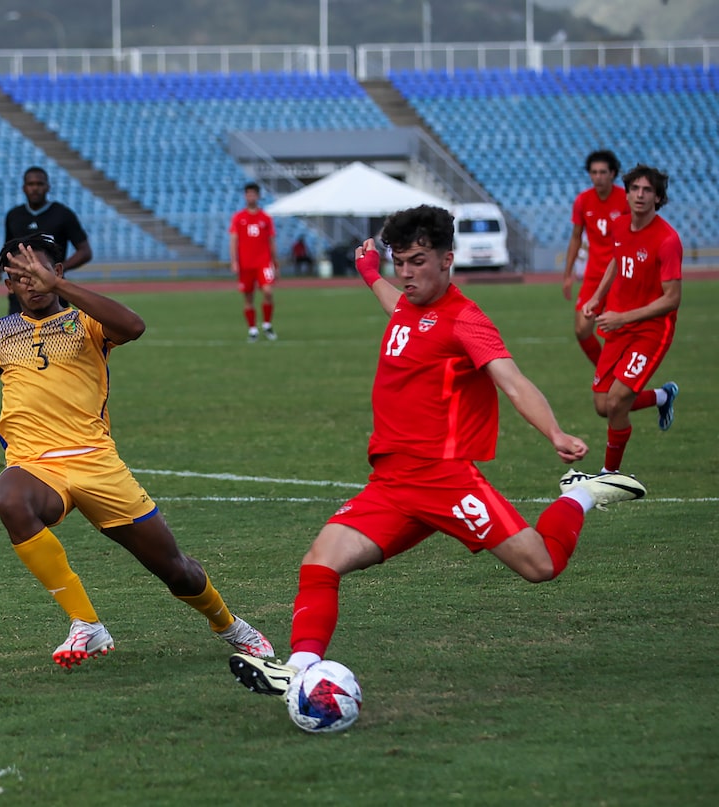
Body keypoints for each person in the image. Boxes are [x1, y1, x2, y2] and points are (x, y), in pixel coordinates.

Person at [227, 205, 645, 703]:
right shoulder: (406, 302)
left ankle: (583, 494)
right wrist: (368, 273)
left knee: (543, 566)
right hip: (392, 484)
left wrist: (554, 432)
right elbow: (396, 306)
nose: (405, 274)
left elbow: (512, 381)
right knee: (320, 562)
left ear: (447, 259)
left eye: (417, 261)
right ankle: (296, 669)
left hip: (447, 481)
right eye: (399, 261)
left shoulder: (466, 320)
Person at [0, 234, 273, 669]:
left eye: (41, 273)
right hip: (35, 465)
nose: (32, 282)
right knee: (9, 495)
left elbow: (134, 326)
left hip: (97, 464)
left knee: (175, 569)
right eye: (21, 276)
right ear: (8, 283)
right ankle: (86, 623)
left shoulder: (86, 323)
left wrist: (59, 289)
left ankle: (228, 623)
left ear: (59, 273)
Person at [574, 164, 681, 478]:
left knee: (618, 400)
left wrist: (623, 317)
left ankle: (610, 475)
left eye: (648, 190)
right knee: (602, 405)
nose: (640, 195)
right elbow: (616, 262)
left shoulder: (667, 240)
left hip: (651, 331)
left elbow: (672, 299)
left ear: (658, 198)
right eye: (635, 188)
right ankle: (663, 396)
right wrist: (596, 297)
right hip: (619, 325)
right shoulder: (620, 226)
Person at [0, 166, 92, 315]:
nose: (35, 188)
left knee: (59, 334)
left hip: (54, 288)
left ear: (48, 187)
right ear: (24, 188)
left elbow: (85, 251)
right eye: (31, 184)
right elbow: (8, 251)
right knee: (19, 335)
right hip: (21, 289)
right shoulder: (14, 216)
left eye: (39, 184)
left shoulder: (63, 214)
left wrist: (56, 271)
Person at [562, 149, 629, 366]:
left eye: (602, 172)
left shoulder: (625, 199)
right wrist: (568, 274)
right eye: (594, 172)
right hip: (593, 276)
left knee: (615, 331)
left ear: (613, 174)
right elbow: (575, 238)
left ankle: (616, 375)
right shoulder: (583, 201)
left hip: (619, 276)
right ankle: (605, 368)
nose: (598, 177)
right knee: (582, 329)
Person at [229, 182, 278, 341]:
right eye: (248, 194)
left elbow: (271, 241)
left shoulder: (265, 218)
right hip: (245, 263)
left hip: (263, 262)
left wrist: (275, 262)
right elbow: (233, 241)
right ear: (245, 196)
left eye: (253, 194)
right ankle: (252, 329)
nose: (250, 197)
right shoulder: (239, 217)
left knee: (268, 292)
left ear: (258, 196)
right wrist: (234, 261)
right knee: (248, 298)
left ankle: (267, 324)